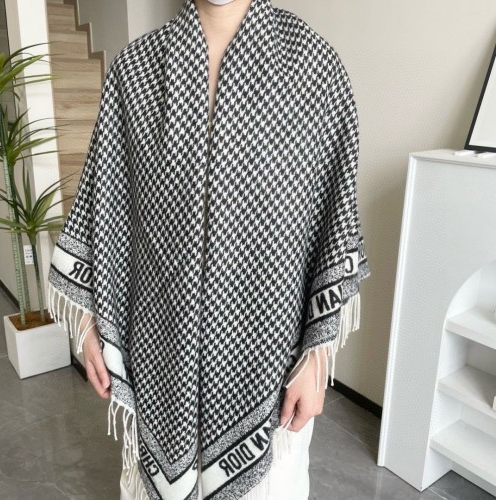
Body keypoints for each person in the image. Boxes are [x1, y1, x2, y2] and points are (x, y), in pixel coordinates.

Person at [47, 0, 370, 498]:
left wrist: (316, 359)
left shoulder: (314, 66)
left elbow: (332, 224)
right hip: (161, 355)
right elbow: (105, 209)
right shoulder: (135, 71)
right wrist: (90, 326)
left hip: (270, 362)